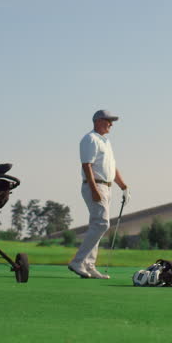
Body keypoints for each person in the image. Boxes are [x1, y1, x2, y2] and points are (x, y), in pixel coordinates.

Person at [68, 109, 129, 280]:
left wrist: (123, 186)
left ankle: (89, 265)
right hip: (95, 185)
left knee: (97, 224)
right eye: (108, 120)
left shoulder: (106, 142)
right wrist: (94, 190)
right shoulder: (90, 139)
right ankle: (78, 261)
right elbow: (87, 165)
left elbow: (112, 168)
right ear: (98, 121)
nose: (111, 124)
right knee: (102, 224)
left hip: (106, 187)